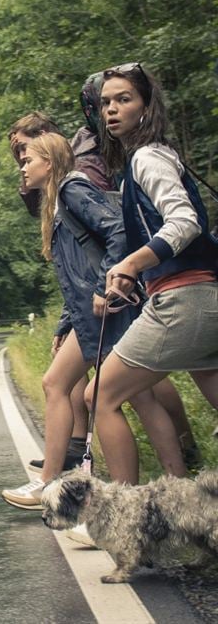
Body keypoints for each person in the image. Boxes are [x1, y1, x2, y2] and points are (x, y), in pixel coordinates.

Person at [8, 106, 200, 476]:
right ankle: (173, 477)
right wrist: (66, 323)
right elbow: (73, 272)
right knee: (121, 395)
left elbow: (117, 232)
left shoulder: (72, 188)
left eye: (27, 156)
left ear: (49, 159)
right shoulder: (57, 201)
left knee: (111, 395)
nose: (21, 165)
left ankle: (66, 483)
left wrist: (103, 289)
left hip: (108, 309)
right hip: (90, 313)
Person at [88, 62, 218, 484]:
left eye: (124, 99)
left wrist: (130, 263)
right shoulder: (143, 163)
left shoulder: (147, 157)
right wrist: (132, 274)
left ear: (146, 108)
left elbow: (183, 222)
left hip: (184, 302)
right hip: (203, 297)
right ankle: (188, 504)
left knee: (99, 397)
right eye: (106, 102)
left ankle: (122, 510)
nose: (111, 109)